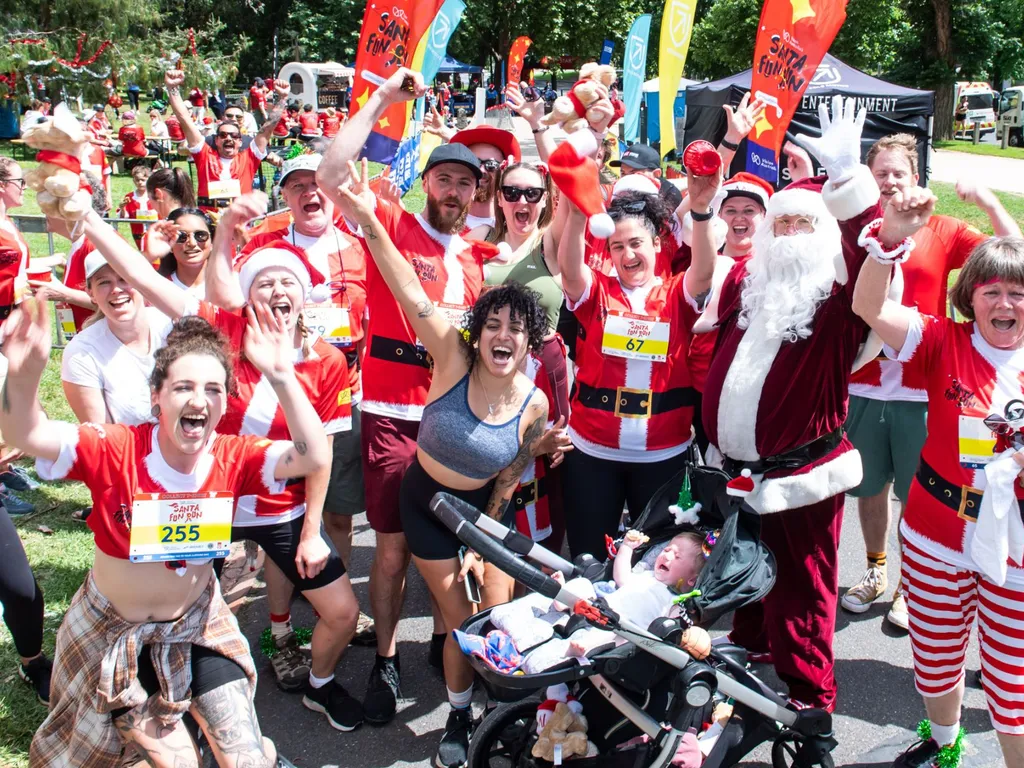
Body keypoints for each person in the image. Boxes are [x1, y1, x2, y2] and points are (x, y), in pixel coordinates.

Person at [81, 196, 365, 728]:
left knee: (344, 612)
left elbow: (320, 457)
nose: (278, 292)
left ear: (305, 295)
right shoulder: (223, 328)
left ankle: (320, 687)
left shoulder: (327, 361)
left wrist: (311, 532)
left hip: (281, 505)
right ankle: (171, 700)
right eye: (265, 282)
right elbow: (144, 279)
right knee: (168, 606)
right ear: (248, 292)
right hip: (208, 501)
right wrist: (88, 218)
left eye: (289, 284)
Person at [5, 301, 323, 767]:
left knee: (246, 759)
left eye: (214, 389)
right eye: (184, 387)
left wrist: (280, 374)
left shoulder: (235, 455)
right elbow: (27, 433)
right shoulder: (116, 448)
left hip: (195, 627)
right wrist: (24, 375)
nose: (199, 399)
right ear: (157, 396)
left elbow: (313, 456)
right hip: (109, 633)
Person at [335, 170, 555, 768]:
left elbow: (509, 475)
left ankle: (499, 699)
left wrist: (484, 540)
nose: (501, 336)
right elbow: (407, 288)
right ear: (477, 332)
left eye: (515, 327)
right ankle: (459, 712)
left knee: (497, 609)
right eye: (493, 325)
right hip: (426, 502)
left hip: (478, 512)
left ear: (530, 341)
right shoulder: (453, 358)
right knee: (460, 616)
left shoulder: (535, 402)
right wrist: (370, 220)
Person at [691, 96, 887, 712]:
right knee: (746, 577)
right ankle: (753, 650)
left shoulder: (835, 304)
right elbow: (696, 243)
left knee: (802, 592)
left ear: (824, 233)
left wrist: (850, 183)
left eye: (805, 224)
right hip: (739, 474)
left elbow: (871, 257)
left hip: (802, 479)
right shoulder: (749, 288)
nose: (790, 234)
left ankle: (810, 700)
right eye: (784, 224)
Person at [317, 67, 492, 726]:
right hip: (392, 414)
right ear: (427, 183)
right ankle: (386, 655)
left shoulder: (475, 256)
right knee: (390, 551)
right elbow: (335, 173)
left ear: (477, 193)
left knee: (456, 548)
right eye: (444, 178)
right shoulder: (390, 219)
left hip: (451, 419)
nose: (453, 190)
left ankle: (453, 647)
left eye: (465, 183)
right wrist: (384, 97)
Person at [851, 215, 1024, 766]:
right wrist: (887, 245)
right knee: (937, 654)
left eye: (1018, 293)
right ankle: (945, 746)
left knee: (1013, 682)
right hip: (934, 535)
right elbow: (870, 309)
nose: (1004, 304)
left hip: (1016, 549)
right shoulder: (941, 339)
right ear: (969, 299)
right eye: (990, 291)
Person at [841, 133, 1022, 631]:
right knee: (870, 488)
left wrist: (986, 200)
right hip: (865, 381)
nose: (891, 180)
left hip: (928, 385)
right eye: (881, 173)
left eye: (899, 172)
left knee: (916, 488)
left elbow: (1011, 255)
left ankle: (908, 584)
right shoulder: (858, 229)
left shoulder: (941, 228)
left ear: (916, 177)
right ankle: (876, 570)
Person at [555, 129, 714, 560]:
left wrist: (700, 213)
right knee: (588, 557)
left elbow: (703, 273)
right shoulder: (598, 289)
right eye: (617, 246)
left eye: (636, 244)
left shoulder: (678, 291)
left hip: (663, 454)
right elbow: (570, 270)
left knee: (655, 563)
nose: (628, 254)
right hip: (592, 451)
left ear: (657, 244)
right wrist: (575, 211)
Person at [236, 153, 374, 644]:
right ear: (286, 196)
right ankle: (285, 604)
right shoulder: (264, 249)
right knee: (281, 507)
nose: (310, 193)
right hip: (272, 395)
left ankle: (322, 580)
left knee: (336, 508)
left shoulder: (361, 246)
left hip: (341, 390)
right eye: (297, 186)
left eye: (318, 184)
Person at [484, 159, 569, 555]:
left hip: (542, 373)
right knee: (493, 460)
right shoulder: (479, 241)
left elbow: (574, 196)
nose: (522, 200)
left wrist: (544, 128)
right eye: (512, 192)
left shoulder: (549, 241)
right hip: (488, 373)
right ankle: (485, 554)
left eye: (532, 193)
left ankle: (538, 572)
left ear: (544, 200)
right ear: (499, 198)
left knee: (543, 468)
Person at [61, 251, 174, 427]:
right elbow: (103, 437)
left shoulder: (172, 325)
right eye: (104, 282)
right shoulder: (81, 353)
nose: (116, 289)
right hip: (131, 451)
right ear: (90, 293)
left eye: (124, 278)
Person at [164, 69, 285, 211]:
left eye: (234, 136)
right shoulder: (204, 154)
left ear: (240, 142)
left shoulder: (249, 156)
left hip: (240, 219)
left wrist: (282, 98)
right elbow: (184, 118)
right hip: (208, 218)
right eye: (223, 135)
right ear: (216, 140)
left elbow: (269, 126)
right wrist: (172, 88)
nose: (229, 138)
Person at [31, 174, 108, 340]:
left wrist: (63, 293)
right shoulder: (80, 243)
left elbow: (114, 299)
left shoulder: (96, 245)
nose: (44, 211)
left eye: (51, 206)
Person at [147, 207, 214, 298]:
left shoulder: (231, 287)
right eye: (181, 236)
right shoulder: (156, 289)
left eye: (200, 235)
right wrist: (149, 256)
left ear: (212, 242)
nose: (192, 243)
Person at [118, 165, 157, 247]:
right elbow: (125, 218)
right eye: (137, 180)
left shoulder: (155, 195)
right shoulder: (129, 197)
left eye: (143, 180)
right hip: (138, 233)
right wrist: (122, 208)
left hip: (156, 233)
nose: (140, 182)